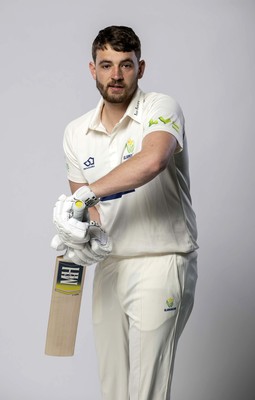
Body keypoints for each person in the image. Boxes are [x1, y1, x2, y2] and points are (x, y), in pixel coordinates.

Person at [52, 25, 198, 400]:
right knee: (114, 387)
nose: (115, 75)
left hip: (161, 260)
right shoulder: (75, 132)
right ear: (92, 69)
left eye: (125, 65)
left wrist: (85, 194)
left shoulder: (161, 107)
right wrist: (82, 236)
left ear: (141, 67)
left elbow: (154, 160)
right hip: (111, 266)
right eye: (106, 65)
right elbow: (91, 211)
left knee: (146, 389)